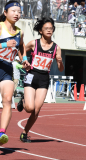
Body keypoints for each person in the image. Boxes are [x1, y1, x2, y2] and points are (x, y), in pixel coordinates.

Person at [17, 17, 64, 143]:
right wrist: (24, 61)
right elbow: (21, 50)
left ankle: (24, 133)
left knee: (36, 110)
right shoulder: (34, 43)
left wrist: (60, 62)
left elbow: (60, 69)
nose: (49, 30)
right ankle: (23, 100)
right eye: (46, 28)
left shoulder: (56, 48)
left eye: (51, 28)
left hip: (44, 78)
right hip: (32, 75)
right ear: (41, 30)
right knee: (29, 108)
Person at [0, 1, 26, 145]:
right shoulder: (0, 27)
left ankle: (1, 133)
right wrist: (4, 44)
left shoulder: (20, 32)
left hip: (7, 68)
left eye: (19, 11)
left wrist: (25, 59)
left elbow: (22, 46)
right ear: (5, 13)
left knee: (8, 100)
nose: (17, 14)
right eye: (13, 11)